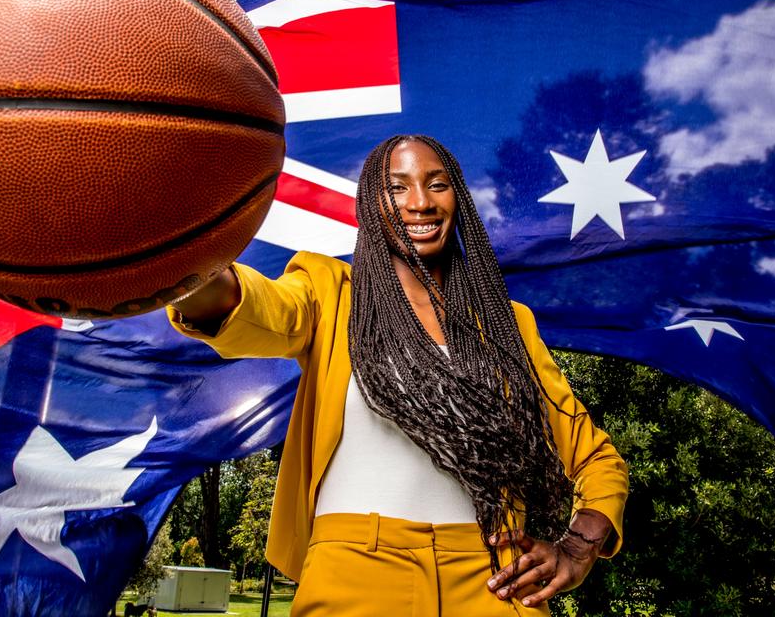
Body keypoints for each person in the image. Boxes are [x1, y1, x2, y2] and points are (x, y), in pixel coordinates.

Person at [168, 135, 628, 616]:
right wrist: (176, 265)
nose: (420, 202)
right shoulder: (330, 294)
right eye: (397, 188)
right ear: (371, 204)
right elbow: (253, 306)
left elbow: (597, 457)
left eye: (437, 184)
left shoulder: (509, 326)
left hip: (494, 577)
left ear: (459, 201)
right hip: (356, 568)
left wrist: (578, 547)